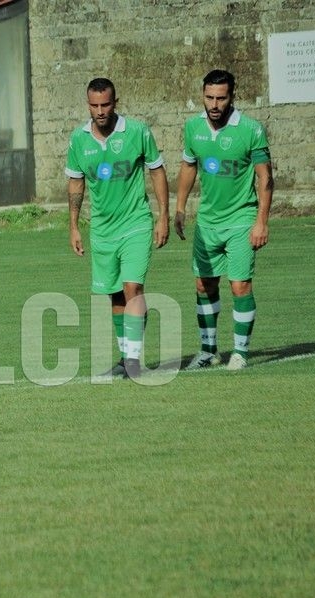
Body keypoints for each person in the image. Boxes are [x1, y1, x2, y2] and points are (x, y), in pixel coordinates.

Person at [65, 78, 169, 379]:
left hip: (136, 222)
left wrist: (162, 215)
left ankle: (134, 361)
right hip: (102, 229)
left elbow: (157, 171)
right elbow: (75, 182)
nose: (100, 111)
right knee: (115, 295)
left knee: (132, 287)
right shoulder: (78, 140)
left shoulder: (137, 132)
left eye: (106, 104)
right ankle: (126, 359)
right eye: (95, 105)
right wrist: (73, 226)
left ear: (116, 102)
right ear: (88, 105)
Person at [175, 69, 273, 371]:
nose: (214, 104)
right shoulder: (193, 128)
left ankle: (240, 352)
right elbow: (189, 167)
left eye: (221, 98)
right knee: (204, 285)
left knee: (239, 286)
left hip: (242, 219)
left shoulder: (251, 129)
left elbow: (265, 177)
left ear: (232, 96)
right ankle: (208, 351)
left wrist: (261, 221)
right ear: (202, 95)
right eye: (209, 97)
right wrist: (179, 208)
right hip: (207, 222)